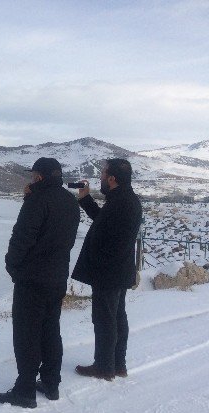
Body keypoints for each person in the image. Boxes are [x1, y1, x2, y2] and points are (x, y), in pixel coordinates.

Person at [0, 157, 80, 409]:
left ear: (40, 177)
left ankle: (25, 390)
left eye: (33, 176)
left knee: (27, 333)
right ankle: (51, 383)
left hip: (32, 278)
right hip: (57, 276)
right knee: (50, 329)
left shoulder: (37, 200)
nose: (30, 180)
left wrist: (12, 265)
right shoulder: (70, 202)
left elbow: (22, 237)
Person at [71, 158, 142, 380]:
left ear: (112, 178)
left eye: (102, 174)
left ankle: (104, 367)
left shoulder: (121, 202)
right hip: (117, 271)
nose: (100, 178)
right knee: (117, 317)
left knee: (105, 319)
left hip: (108, 272)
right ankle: (117, 364)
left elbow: (106, 234)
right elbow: (104, 222)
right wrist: (85, 199)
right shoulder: (125, 199)